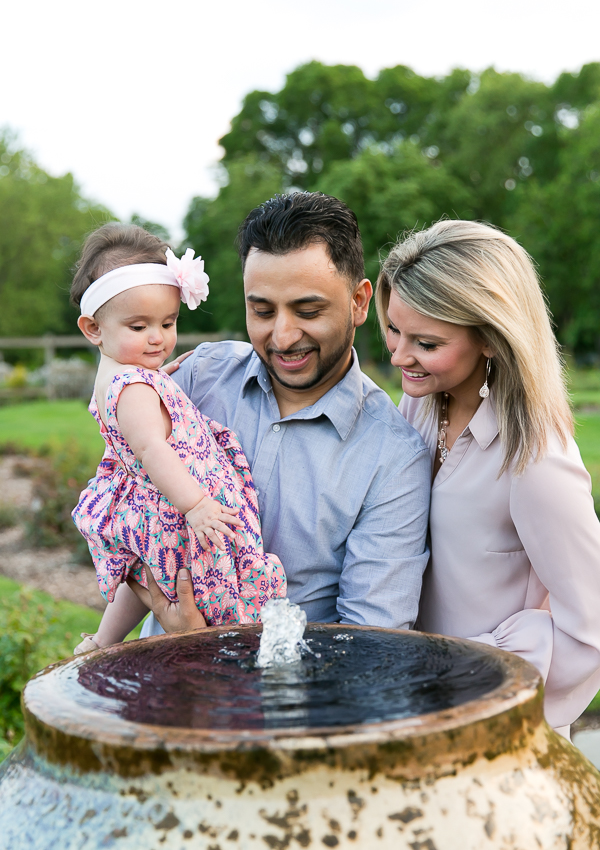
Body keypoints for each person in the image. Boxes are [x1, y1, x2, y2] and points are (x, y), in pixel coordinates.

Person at [132, 191, 431, 636]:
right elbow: (123, 503)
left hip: (290, 701)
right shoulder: (197, 380)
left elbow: (368, 644)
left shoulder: (393, 458)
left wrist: (203, 642)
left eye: (308, 311)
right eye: (262, 311)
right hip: (156, 688)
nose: (284, 336)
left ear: (360, 302)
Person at [375, 218, 600, 737]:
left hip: (491, 736)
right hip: (412, 714)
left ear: (493, 339)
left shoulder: (535, 456)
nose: (398, 356)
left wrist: (482, 676)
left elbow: (588, 626)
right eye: (393, 329)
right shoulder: (421, 402)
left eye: (427, 343)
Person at [70, 223, 286, 653]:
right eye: (138, 326)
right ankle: (238, 643)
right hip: (175, 505)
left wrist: (158, 381)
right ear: (93, 328)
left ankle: (103, 640)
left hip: (156, 505)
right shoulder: (133, 388)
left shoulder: (129, 375)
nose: (158, 337)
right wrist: (196, 503)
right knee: (203, 579)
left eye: (167, 322)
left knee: (144, 570)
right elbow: (152, 447)